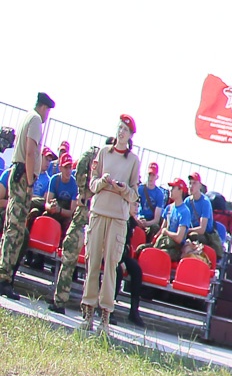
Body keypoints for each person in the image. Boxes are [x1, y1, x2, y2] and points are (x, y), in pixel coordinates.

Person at [80, 117, 140, 331]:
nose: (121, 132)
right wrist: (103, 181)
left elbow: (134, 194)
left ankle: (105, 315)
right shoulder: (104, 152)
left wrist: (123, 189)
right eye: (120, 128)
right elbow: (92, 184)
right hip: (98, 212)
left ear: (131, 135)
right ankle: (87, 312)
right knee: (93, 261)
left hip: (118, 217)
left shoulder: (133, 160)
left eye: (125, 130)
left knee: (112, 267)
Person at [0, 92, 54, 298]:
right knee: (15, 230)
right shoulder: (35, 120)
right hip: (24, 176)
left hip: (19, 173)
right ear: (44, 108)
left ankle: (5, 275)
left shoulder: (27, 117)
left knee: (14, 228)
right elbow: (31, 151)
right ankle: (4, 277)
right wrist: (31, 181)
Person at [49, 138, 105, 315]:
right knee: (70, 254)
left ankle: (91, 308)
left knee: (95, 265)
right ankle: (61, 301)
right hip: (86, 215)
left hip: (99, 219)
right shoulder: (92, 158)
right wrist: (84, 193)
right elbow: (82, 167)